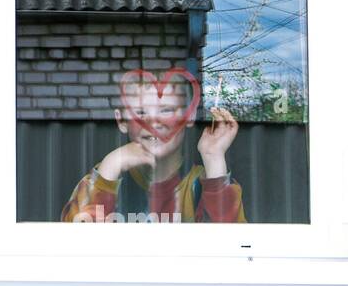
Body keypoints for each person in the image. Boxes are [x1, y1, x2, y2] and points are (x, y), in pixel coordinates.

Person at [61, 73, 245, 223]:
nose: (153, 122)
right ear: (121, 121)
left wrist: (213, 158)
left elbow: (231, 245)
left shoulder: (200, 186)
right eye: (140, 112)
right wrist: (111, 166)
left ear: (189, 117)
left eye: (166, 110)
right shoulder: (104, 178)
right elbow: (73, 247)